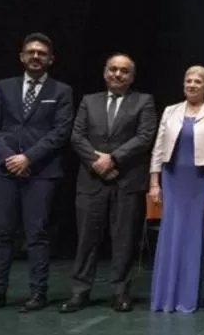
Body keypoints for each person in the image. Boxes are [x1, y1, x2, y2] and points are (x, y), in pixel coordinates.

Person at [0, 33, 73, 314]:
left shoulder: (61, 91)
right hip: (3, 170)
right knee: (2, 234)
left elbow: (60, 132)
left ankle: (37, 293)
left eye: (42, 53)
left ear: (50, 59)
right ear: (21, 56)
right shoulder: (4, 87)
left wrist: (28, 157)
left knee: (37, 234)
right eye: (30, 51)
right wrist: (9, 158)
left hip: (40, 171)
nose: (35, 56)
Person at [60, 54, 157, 313]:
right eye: (113, 69)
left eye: (124, 71)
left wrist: (113, 159)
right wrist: (97, 162)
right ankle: (80, 292)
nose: (117, 74)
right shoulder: (89, 101)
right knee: (87, 239)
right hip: (91, 180)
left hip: (127, 182)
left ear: (131, 77)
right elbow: (76, 136)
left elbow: (145, 137)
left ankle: (121, 292)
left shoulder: (143, 101)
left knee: (124, 239)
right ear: (105, 73)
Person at [148, 66, 204, 313]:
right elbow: (159, 148)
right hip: (172, 179)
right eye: (188, 80)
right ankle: (163, 298)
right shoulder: (171, 111)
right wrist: (154, 182)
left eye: (198, 81)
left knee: (193, 237)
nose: (192, 85)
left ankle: (186, 299)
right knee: (169, 236)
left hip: (200, 180)